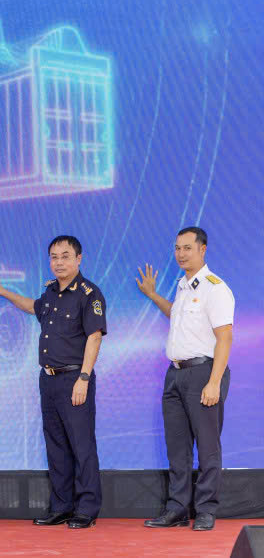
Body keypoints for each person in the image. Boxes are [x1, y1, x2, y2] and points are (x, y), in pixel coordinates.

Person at [0, 235, 105, 529]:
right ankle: (61, 506)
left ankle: (86, 509)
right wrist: (2, 292)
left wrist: (84, 378)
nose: (58, 262)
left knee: (81, 446)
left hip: (75, 378)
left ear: (78, 259)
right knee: (56, 446)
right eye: (54, 257)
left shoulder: (89, 294)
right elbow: (33, 307)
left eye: (65, 256)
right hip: (48, 380)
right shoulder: (50, 293)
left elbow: (94, 337)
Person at [138, 226, 233, 532]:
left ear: (202, 250)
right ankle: (177, 508)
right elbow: (177, 317)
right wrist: (153, 296)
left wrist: (214, 381)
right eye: (177, 248)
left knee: (207, 447)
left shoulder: (214, 288)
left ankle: (205, 510)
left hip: (204, 373)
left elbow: (225, 337)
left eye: (187, 248)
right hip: (175, 375)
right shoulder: (182, 287)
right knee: (177, 448)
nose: (180, 254)